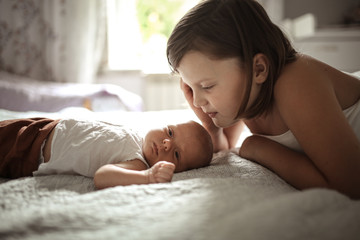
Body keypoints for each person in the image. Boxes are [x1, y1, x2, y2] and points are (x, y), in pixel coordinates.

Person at [166, 0, 360, 198]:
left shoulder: (296, 82)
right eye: (190, 87)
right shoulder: (247, 99)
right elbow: (223, 147)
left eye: (207, 86)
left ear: (258, 69)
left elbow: (350, 185)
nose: (197, 101)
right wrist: (211, 125)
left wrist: (259, 148)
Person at [0, 118, 213, 189]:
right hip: (47, 125)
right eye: (170, 132)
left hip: (30, 150)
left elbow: (102, 177)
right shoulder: (138, 136)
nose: (166, 143)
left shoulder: (138, 164)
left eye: (176, 154)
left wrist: (147, 177)